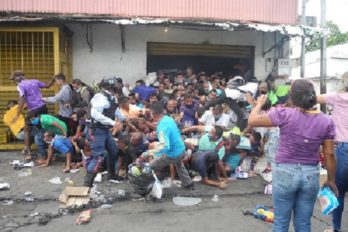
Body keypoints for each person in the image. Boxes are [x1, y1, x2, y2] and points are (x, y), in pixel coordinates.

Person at [248, 79, 338, 232]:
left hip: (285, 172)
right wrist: (330, 180)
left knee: (281, 223)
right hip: (310, 174)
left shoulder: (284, 113)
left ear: (292, 96)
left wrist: (258, 104)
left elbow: (252, 120)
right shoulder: (326, 121)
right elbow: (329, 154)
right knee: (303, 224)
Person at [317, 71, 348, 232]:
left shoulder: (339, 97)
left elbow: (313, 98)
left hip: (344, 148)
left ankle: (335, 228)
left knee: (338, 190)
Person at [143, 102, 194, 190]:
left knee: (150, 166)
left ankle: (150, 190)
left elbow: (164, 146)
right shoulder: (168, 119)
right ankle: (188, 184)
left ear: (153, 113)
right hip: (181, 149)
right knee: (179, 164)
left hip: (173, 153)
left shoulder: (162, 127)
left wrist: (147, 153)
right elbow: (177, 132)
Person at [85, 77, 124, 187]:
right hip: (95, 130)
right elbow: (94, 114)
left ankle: (111, 175)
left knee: (114, 150)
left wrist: (124, 119)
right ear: (110, 86)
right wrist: (113, 123)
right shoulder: (100, 98)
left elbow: (114, 110)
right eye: (116, 84)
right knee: (98, 157)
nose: (118, 86)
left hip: (104, 129)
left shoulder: (110, 97)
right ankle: (87, 185)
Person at [10, 70, 55, 159]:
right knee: (43, 128)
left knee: (27, 130)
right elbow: (47, 85)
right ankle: (48, 151)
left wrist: (17, 114)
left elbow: (22, 99)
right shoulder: (34, 81)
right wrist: (53, 79)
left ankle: (28, 152)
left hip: (33, 111)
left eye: (14, 79)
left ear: (17, 78)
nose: (14, 81)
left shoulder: (20, 86)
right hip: (43, 108)